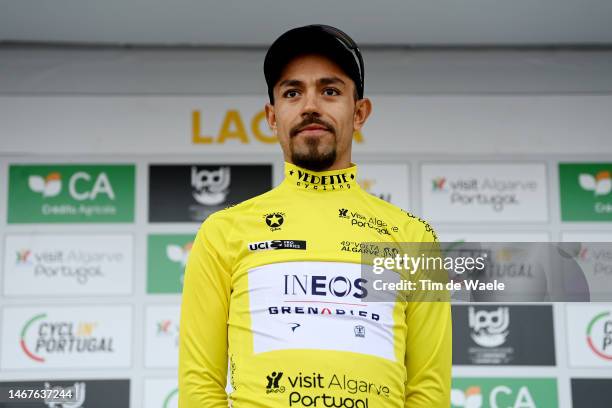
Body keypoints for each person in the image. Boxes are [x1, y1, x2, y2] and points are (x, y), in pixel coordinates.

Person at [179, 24, 452, 407]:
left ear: (359, 112)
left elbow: (428, 392)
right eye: (293, 92)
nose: (310, 106)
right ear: (272, 117)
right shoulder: (224, 232)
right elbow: (200, 388)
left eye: (330, 91)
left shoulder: (412, 237)